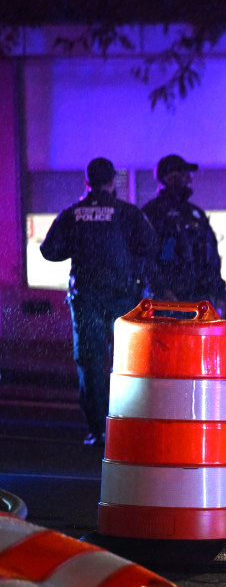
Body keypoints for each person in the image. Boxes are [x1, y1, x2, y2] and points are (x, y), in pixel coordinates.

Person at [40, 157, 157, 446]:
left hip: (86, 299)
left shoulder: (72, 213)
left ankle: (98, 429)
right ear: (112, 182)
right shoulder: (127, 213)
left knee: (90, 363)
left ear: (87, 182)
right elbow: (150, 246)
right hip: (123, 299)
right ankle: (126, 428)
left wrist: (78, 246)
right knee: (126, 364)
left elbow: (49, 250)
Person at [141, 154, 226, 311]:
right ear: (169, 178)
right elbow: (146, 259)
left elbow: (211, 258)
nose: (188, 179)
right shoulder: (152, 213)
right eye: (183, 175)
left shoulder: (196, 214)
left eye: (189, 175)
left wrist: (220, 295)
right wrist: (164, 292)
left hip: (198, 300)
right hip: (164, 303)